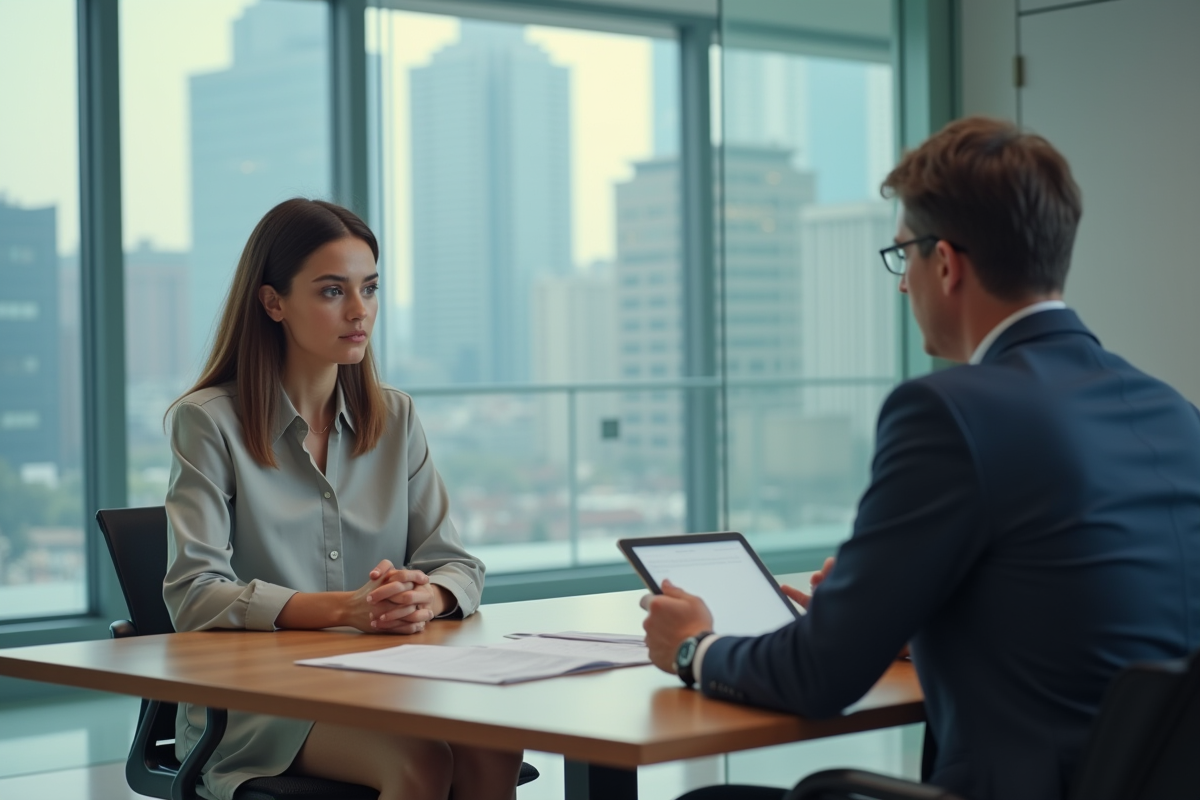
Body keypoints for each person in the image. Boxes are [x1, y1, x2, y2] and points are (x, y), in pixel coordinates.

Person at [642, 117, 1200, 800]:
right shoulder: (1172, 410)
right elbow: (1088, 615)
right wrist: (914, 615)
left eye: (902, 255)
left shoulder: (949, 410)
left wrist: (695, 648)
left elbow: (820, 678)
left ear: (945, 262)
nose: (904, 285)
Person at [163, 198, 523, 800]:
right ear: (273, 302)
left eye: (370, 288)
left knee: (495, 740)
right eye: (333, 291)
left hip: (383, 682)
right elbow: (194, 596)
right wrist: (346, 609)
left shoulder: (396, 416)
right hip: (261, 706)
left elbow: (457, 564)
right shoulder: (207, 423)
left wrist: (422, 597)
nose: (360, 312)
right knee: (421, 762)